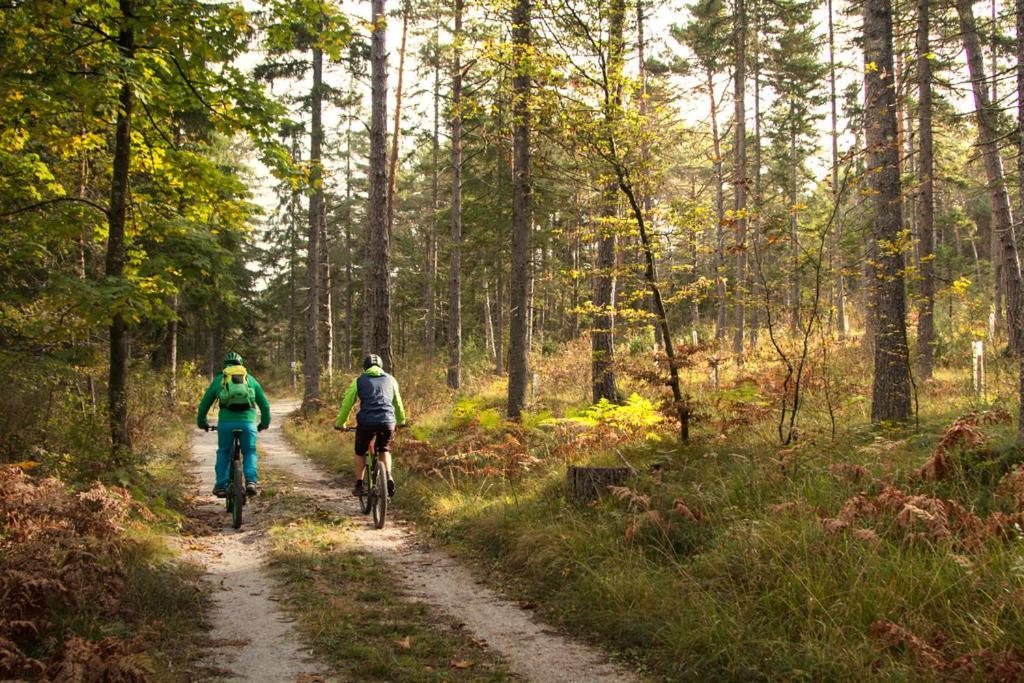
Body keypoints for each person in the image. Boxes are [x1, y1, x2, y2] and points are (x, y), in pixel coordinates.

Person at [197, 352, 271, 498]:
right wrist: (264, 423)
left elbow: (204, 404)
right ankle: (251, 482)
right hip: (248, 423)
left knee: (224, 451)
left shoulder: (220, 379)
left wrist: (202, 422)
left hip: (226, 423)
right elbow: (265, 406)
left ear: (225, 365)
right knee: (249, 452)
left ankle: (221, 486)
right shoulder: (250, 379)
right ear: (241, 364)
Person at [334, 353, 406, 498]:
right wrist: (401, 421)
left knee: (360, 451)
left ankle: (359, 485)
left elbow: (347, 404)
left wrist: (340, 423)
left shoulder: (359, 381)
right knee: (384, 449)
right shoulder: (391, 380)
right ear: (381, 366)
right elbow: (397, 403)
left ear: (365, 367)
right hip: (387, 422)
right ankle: (388, 476)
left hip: (366, 423)